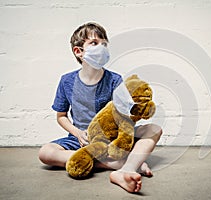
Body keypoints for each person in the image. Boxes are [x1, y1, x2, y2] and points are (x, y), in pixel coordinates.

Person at [38, 22, 162, 193]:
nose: (102, 47)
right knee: (45, 152)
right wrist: (77, 133)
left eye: (104, 43)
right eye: (94, 43)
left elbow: (123, 116)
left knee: (154, 129)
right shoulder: (66, 81)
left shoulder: (114, 80)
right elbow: (61, 116)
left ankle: (127, 169)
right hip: (82, 138)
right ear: (78, 51)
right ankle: (119, 163)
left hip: (111, 138)